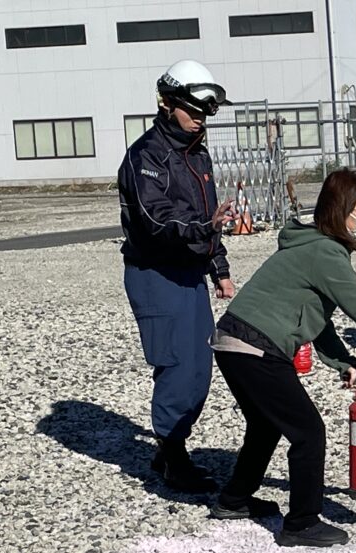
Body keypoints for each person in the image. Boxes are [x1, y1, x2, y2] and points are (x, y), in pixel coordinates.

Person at [211, 169, 356, 548]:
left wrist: (342, 362)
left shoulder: (314, 247)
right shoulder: (324, 252)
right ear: (339, 210)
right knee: (309, 432)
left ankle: (233, 500)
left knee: (266, 425)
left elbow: (315, 318)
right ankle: (301, 523)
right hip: (255, 346)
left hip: (236, 343)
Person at [118, 59, 236, 493]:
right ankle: (172, 457)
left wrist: (219, 268)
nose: (200, 119)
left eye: (206, 113)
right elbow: (155, 219)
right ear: (167, 104)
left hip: (190, 275)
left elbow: (211, 218)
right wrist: (204, 229)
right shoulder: (145, 156)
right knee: (178, 367)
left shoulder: (197, 154)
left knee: (200, 367)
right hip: (156, 274)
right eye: (193, 110)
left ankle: (169, 446)